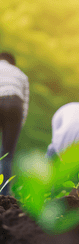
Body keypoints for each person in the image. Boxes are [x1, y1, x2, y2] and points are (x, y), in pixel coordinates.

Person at [0, 53, 29, 195]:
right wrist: (17, 126)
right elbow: (25, 104)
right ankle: (4, 194)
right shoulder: (21, 75)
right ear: (13, 63)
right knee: (7, 153)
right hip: (15, 105)